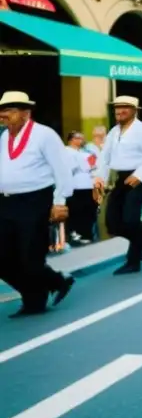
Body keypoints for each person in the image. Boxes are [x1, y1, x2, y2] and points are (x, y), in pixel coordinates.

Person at [0, 91, 75, 316]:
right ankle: (54, 282)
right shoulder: (4, 137)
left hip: (34, 200)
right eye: (2, 110)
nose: (3, 114)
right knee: (3, 258)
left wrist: (60, 201)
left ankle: (37, 298)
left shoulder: (45, 135)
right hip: (6, 203)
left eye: (10, 110)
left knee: (30, 257)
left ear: (26, 113)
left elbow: (62, 169)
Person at [94, 96, 142, 276]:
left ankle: (133, 261)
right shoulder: (114, 131)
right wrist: (98, 179)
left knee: (130, 221)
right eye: (117, 108)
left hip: (135, 178)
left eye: (125, 108)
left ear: (135, 110)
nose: (120, 111)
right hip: (119, 178)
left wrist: (140, 174)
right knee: (112, 223)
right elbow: (104, 157)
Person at [64, 130, 99, 244]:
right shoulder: (66, 151)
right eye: (78, 138)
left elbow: (94, 165)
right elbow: (70, 168)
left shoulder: (85, 152)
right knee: (76, 211)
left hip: (88, 185)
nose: (81, 140)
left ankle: (87, 233)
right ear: (71, 140)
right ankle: (75, 233)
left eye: (82, 138)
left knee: (89, 210)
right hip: (75, 186)